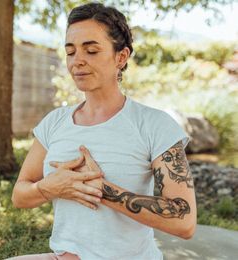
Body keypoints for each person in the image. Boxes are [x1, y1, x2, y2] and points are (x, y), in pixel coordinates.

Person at [10, 2, 196, 260]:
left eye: (92, 50)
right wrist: (49, 188)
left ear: (121, 57)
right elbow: (20, 195)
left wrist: (101, 190)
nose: (78, 61)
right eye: (71, 52)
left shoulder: (154, 125)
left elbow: (184, 220)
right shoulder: (54, 122)